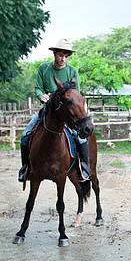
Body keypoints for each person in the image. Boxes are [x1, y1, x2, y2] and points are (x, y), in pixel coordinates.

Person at [18, 38, 91, 182]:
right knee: (25, 135)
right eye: (60, 55)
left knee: (81, 138)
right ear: (54, 53)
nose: (63, 59)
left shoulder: (72, 71)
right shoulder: (43, 69)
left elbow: (75, 94)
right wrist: (42, 96)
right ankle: (26, 168)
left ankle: (83, 167)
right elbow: (38, 88)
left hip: (66, 112)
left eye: (66, 56)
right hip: (48, 111)